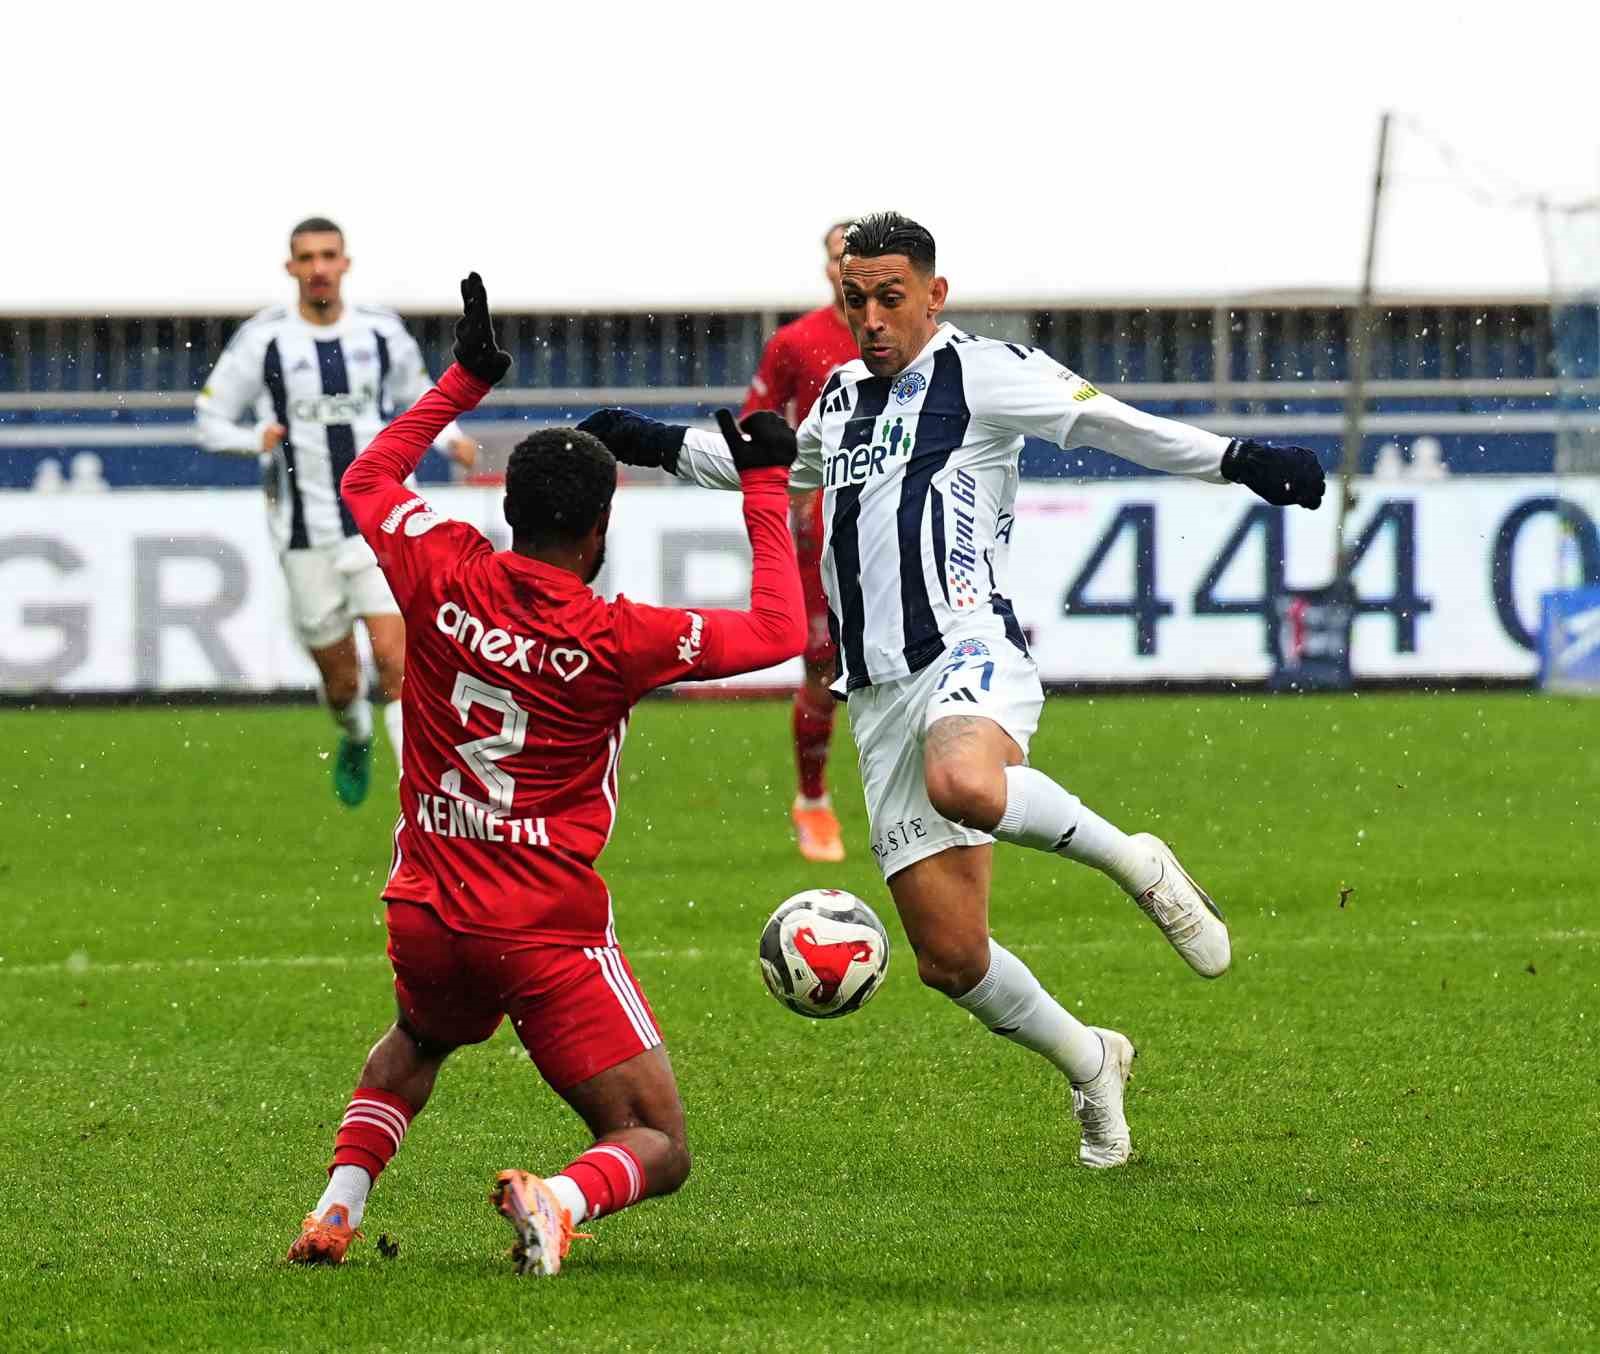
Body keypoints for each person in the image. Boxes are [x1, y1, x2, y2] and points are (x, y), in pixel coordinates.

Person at [579, 213, 1325, 1168]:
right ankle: (1092, 1059)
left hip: (970, 646)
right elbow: (773, 467)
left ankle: (1137, 862)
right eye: (857, 300)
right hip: (878, 696)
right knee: (951, 957)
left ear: (935, 294)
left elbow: (1104, 421)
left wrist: (1240, 461)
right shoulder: (843, 396)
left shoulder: (985, 371)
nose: (873, 318)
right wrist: (641, 439)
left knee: (967, 783)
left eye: (892, 298)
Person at [284, 275, 804, 1273]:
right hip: (540, 926)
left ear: (505, 508)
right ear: (600, 530)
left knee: (418, 1039)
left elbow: (364, 482)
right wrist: (766, 488)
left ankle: (335, 1209)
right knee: (657, 1140)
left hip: (427, 903)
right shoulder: (619, 637)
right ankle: (557, 1199)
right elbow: (781, 628)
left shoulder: (441, 569)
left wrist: (463, 381)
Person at [195, 217, 479, 806]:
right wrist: (255, 439)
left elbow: (421, 395)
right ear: (291, 268)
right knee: (342, 679)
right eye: (308, 257)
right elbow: (209, 420)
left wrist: (451, 437)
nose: (319, 267)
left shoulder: (379, 333)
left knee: (398, 660)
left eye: (329, 255)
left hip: (380, 524)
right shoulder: (263, 339)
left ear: (345, 263)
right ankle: (355, 734)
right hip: (305, 536)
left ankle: (420, 801)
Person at [740, 223, 860, 863]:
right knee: (821, 666)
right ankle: (813, 801)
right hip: (822, 532)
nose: (850, 270)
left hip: (900, 525)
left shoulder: (912, 341)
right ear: (827, 269)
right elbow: (754, 424)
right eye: (841, 259)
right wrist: (785, 486)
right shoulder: (796, 343)